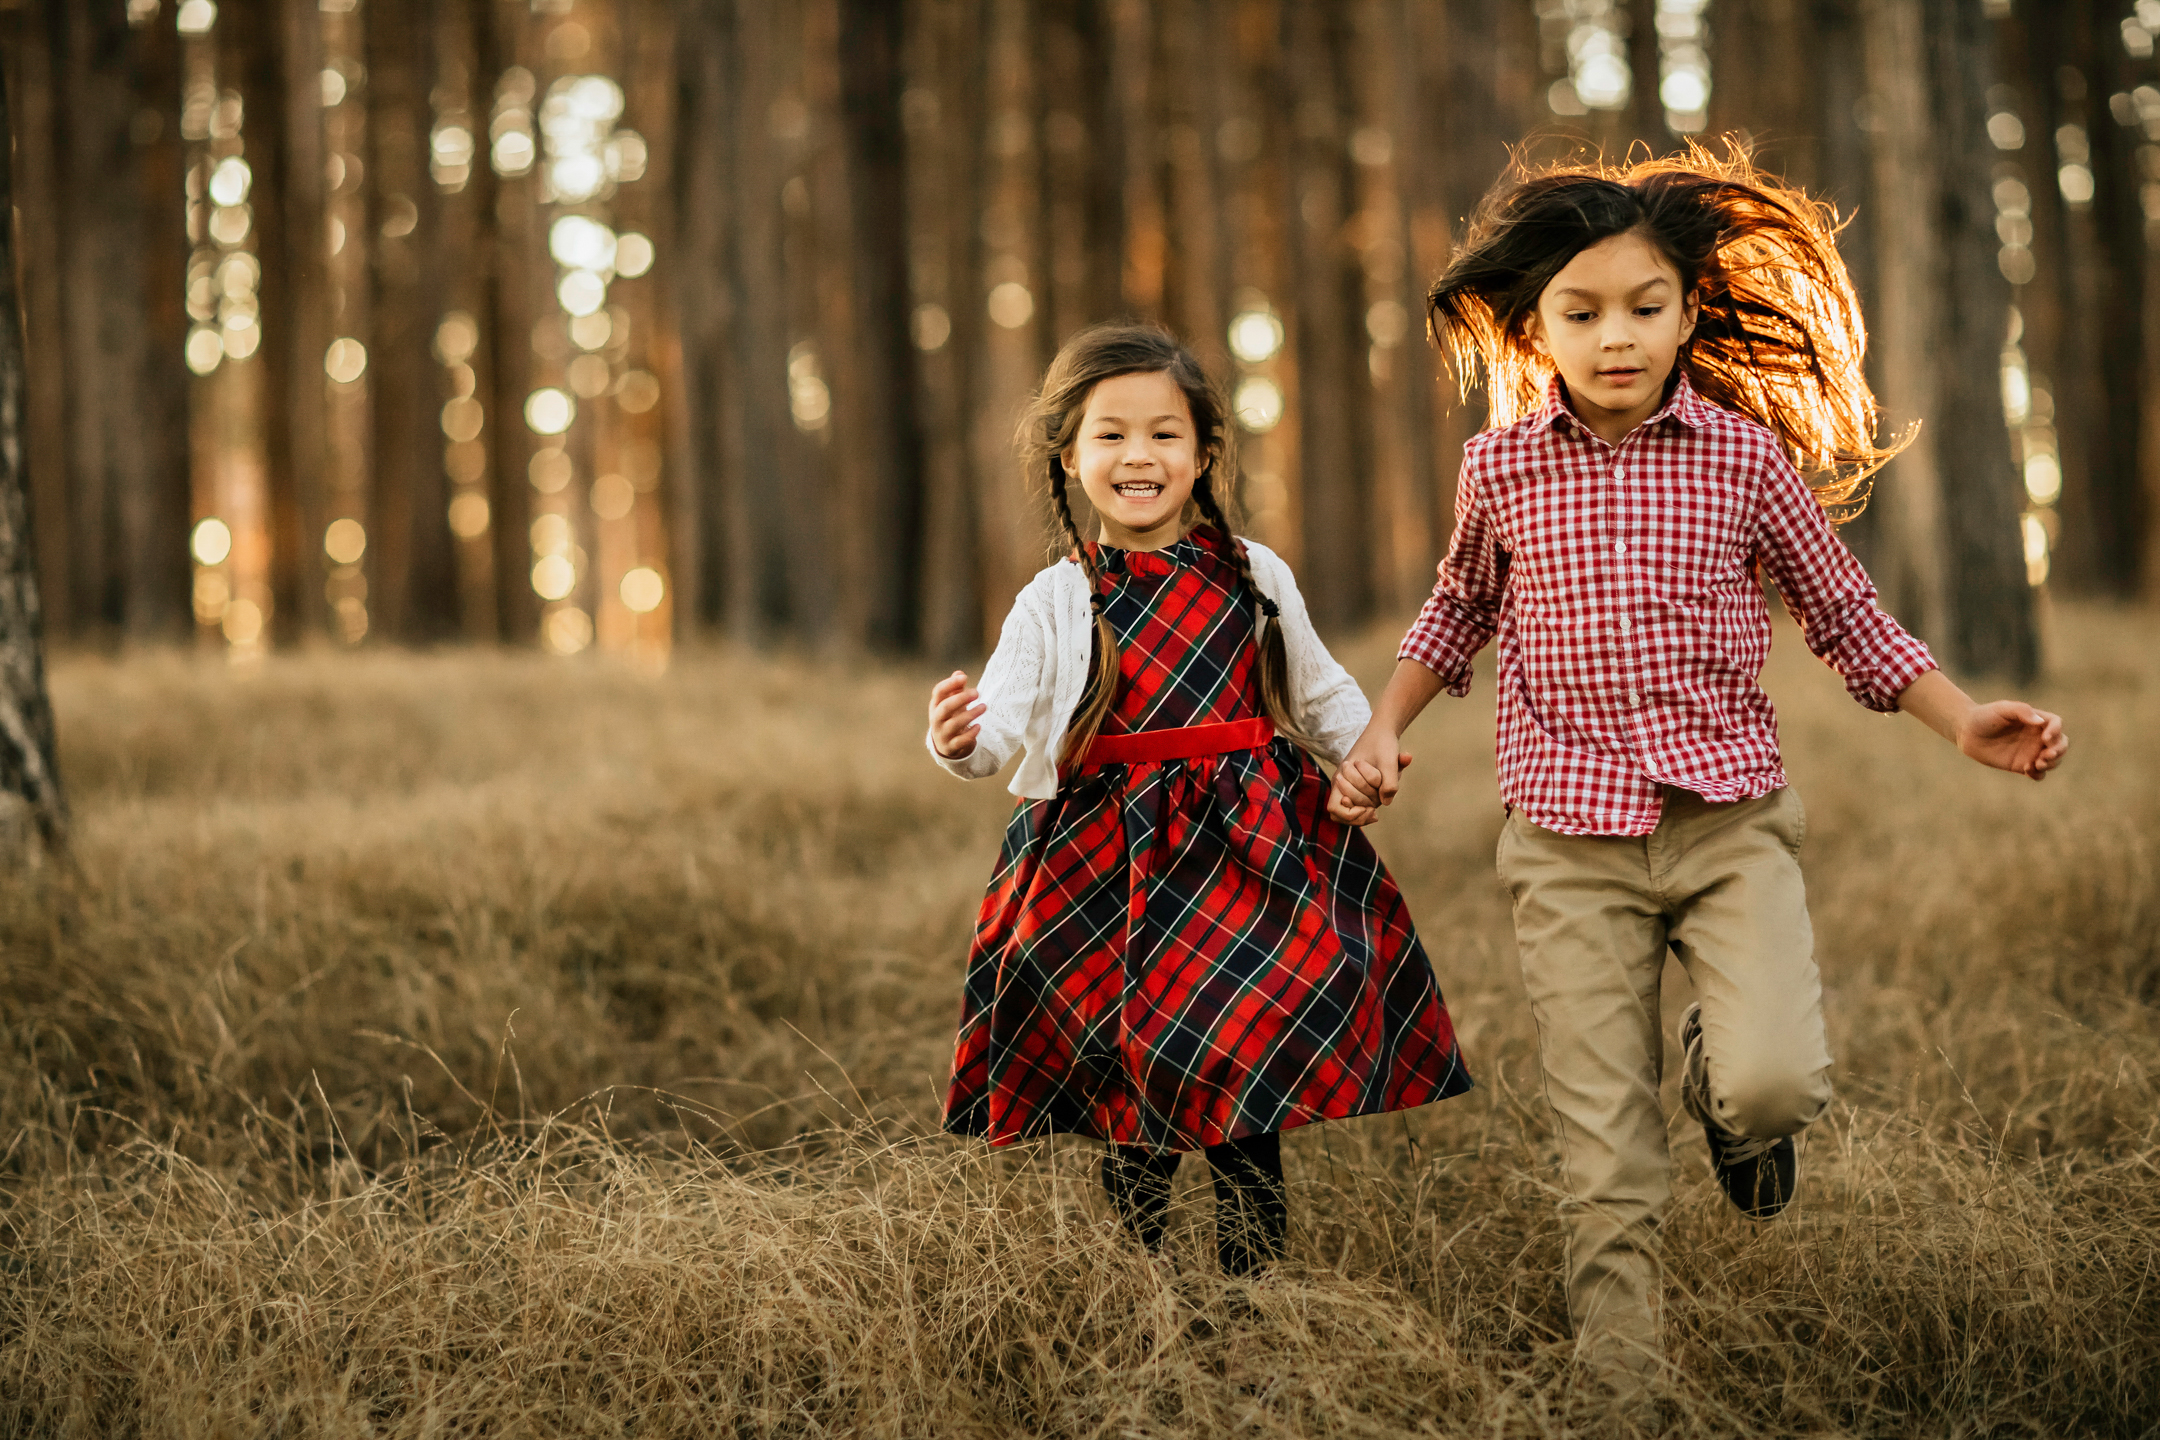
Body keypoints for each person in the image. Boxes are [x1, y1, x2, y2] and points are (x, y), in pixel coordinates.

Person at [1331, 147, 2068, 1383]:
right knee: (1604, 1148)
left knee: (1777, 1085)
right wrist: (1383, 724)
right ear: (1535, 326)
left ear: (1684, 313)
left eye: (1644, 307)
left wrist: (1961, 719)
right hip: (1567, 841)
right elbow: (1456, 611)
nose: (1614, 336)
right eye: (1581, 311)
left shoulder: (1742, 461)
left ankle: (1722, 1094)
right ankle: (1626, 1384)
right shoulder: (1501, 469)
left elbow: (1845, 615)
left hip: (1728, 822)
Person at [927, 322, 1472, 1278]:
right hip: (1104, 870)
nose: (1139, 455)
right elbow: (1005, 732)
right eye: (1111, 435)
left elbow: (1321, 691)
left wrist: (1364, 754)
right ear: (1070, 455)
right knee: (1136, 1076)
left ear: (1204, 451)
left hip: (1246, 852)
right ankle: (1149, 1279)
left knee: (1240, 1052)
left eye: (1164, 434)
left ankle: (1246, 1293)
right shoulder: (1055, 600)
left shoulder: (1256, 575)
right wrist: (962, 743)